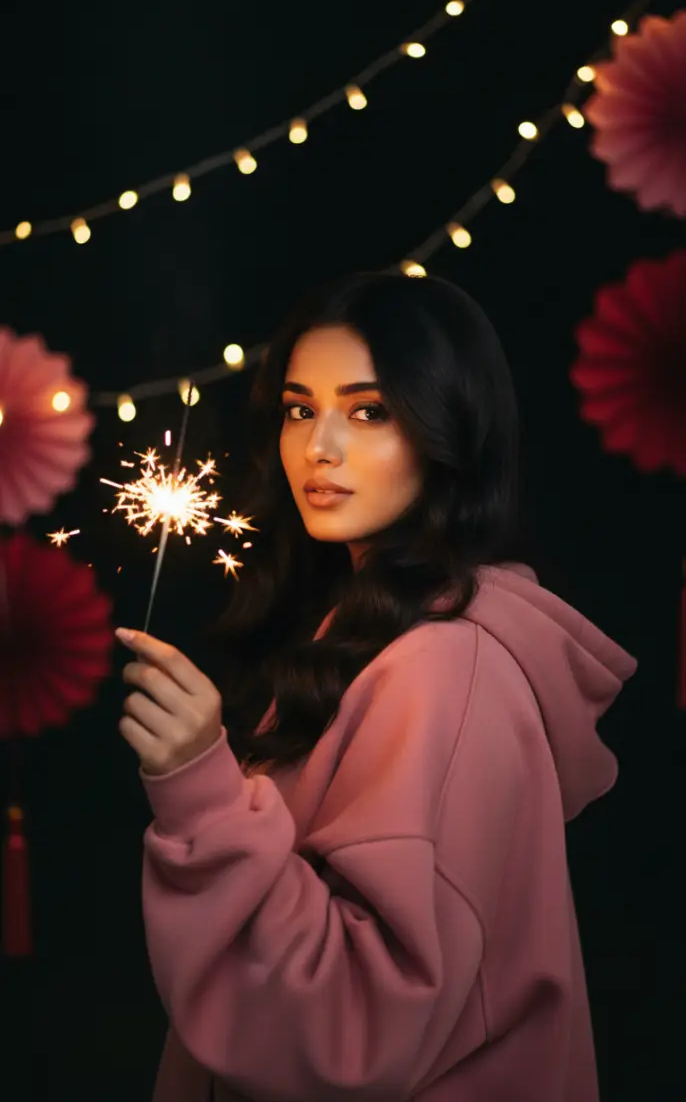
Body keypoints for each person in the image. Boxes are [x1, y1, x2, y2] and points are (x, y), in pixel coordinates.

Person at [116, 271, 637, 1102]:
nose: (320, 446)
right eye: (299, 408)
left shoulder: (440, 670)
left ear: (445, 431)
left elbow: (355, 1027)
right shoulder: (367, 634)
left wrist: (204, 789)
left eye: (369, 411)